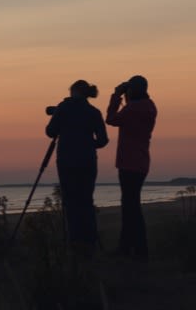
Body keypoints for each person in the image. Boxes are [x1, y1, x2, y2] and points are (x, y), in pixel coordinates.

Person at [45, 79, 109, 255]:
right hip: (88, 160)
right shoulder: (94, 112)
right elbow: (103, 140)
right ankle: (90, 243)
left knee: (70, 201)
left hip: (66, 160)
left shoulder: (64, 108)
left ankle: (74, 243)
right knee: (86, 201)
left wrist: (59, 116)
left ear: (74, 91)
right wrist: (88, 144)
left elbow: (50, 132)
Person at [106, 74, 157, 261]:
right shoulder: (149, 106)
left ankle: (135, 248)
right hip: (141, 162)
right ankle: (131, 247)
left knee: (130, 207)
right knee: (131, 205)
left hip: (129, 162)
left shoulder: (133, 108)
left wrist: (116, 96)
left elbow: (111, 119)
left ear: (133, 90)